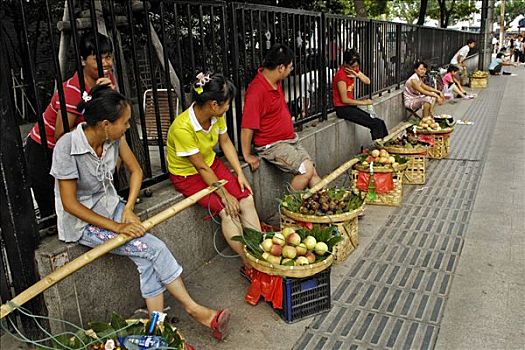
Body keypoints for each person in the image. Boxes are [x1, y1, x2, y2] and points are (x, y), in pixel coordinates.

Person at [50, 84, 230, 341]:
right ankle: (195, 310)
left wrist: (129, 209)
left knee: (145, 257)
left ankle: (155, 327)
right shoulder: (66, 147)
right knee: (153, 248)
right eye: (124, 122)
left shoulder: (113, 138)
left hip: (112, 209)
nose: (128, 127)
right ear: (104, 124)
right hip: (82, 225)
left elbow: (137, 172)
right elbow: (70, 205)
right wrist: (118, 228)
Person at [166, 73, 262, 278]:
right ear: (213, 104)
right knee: (228, 210)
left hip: (211, 165)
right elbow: (200, 169)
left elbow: (225, 142)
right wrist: (225, 195)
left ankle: (260, 252)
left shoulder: (215, 115)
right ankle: (249, 263)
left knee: (245, 199)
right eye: (226, 104)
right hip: (188, 176)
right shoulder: (182, 128)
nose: (228, 108)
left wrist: (239, 174)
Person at [25, 31, 115, 218]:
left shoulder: (106, 81)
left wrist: (110, 94)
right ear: (83, 61)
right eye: (98, 58)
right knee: (51, 209)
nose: (106, 63)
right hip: (44, 149)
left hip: (75, 148)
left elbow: (112, 114)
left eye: (108, 57)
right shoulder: (72, 90)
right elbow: (61, 135)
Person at [241, 43, 321, 191]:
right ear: (281, 68)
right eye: (290, 67)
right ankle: (289, 210)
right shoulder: (256, 91)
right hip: (272, 145)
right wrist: (246, 154)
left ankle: (326, 206)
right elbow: (247, 126)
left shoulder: (274, 82)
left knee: (313, 172)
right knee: (306, 171)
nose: (291, 71)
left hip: (289, 140)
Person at [332, 49, 388, 141]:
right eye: (353, 66)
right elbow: (344, 100)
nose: (355, 68)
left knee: (380, 122)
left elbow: (368, 81)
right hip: (343, 108)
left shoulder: (354, 70)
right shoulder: (341, 76)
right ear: (345, 64)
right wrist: (364, 102)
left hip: (351, 106)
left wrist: (357, 75)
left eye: (357, 66)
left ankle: (386, 145)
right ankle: (379, 148)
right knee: (375, 124)